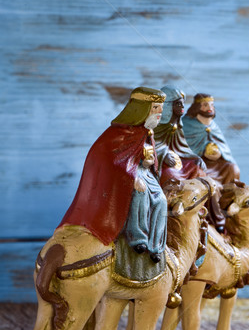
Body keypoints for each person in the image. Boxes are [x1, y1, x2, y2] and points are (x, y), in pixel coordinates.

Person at [58, 87, 168, 261]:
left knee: (161, 200)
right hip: (125, 178)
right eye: (155, 108)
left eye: (160, 107)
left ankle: (156, 245)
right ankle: (137, 238)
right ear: (141, 109)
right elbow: (109, 162)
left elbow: (145, 158)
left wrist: (148, 163)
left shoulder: (147, 132)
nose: (160, 112)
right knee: (139, 194)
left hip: (143, 173)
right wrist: (132, 178)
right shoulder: (118, 133)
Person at [181, 93, 240, 185]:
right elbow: (183, 147)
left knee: (232, 168)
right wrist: (202, 151)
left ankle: (227, 195)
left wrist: (219, 152)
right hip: (197, 164)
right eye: (205, 105)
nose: (210, 108)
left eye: (212, 105)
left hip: (216, 164)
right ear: (197, 107)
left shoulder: (213, 125)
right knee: (200, 175)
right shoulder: (185, 124)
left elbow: (223, 145)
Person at [153, 85, 207, 186]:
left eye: (183, 103)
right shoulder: (155, 125)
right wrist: (163, 155)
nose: (182, 106)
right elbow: (147, 145)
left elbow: (181, 147)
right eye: (178, 104)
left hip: (175, 161)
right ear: (167, 106)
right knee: (171, 175)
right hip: (159, 164)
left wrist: (194, 157)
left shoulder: (177, 125)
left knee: (197, 168)